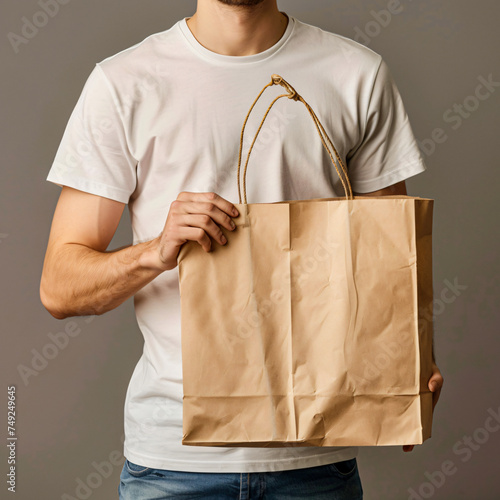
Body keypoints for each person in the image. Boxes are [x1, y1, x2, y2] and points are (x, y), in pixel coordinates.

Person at [40, 0, 444, 498]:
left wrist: (410, 368)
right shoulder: (124, 83)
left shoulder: (356, 73)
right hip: (173, 463)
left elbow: (391, 263)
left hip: (316, 459)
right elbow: (60, 287)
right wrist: (155, 251)